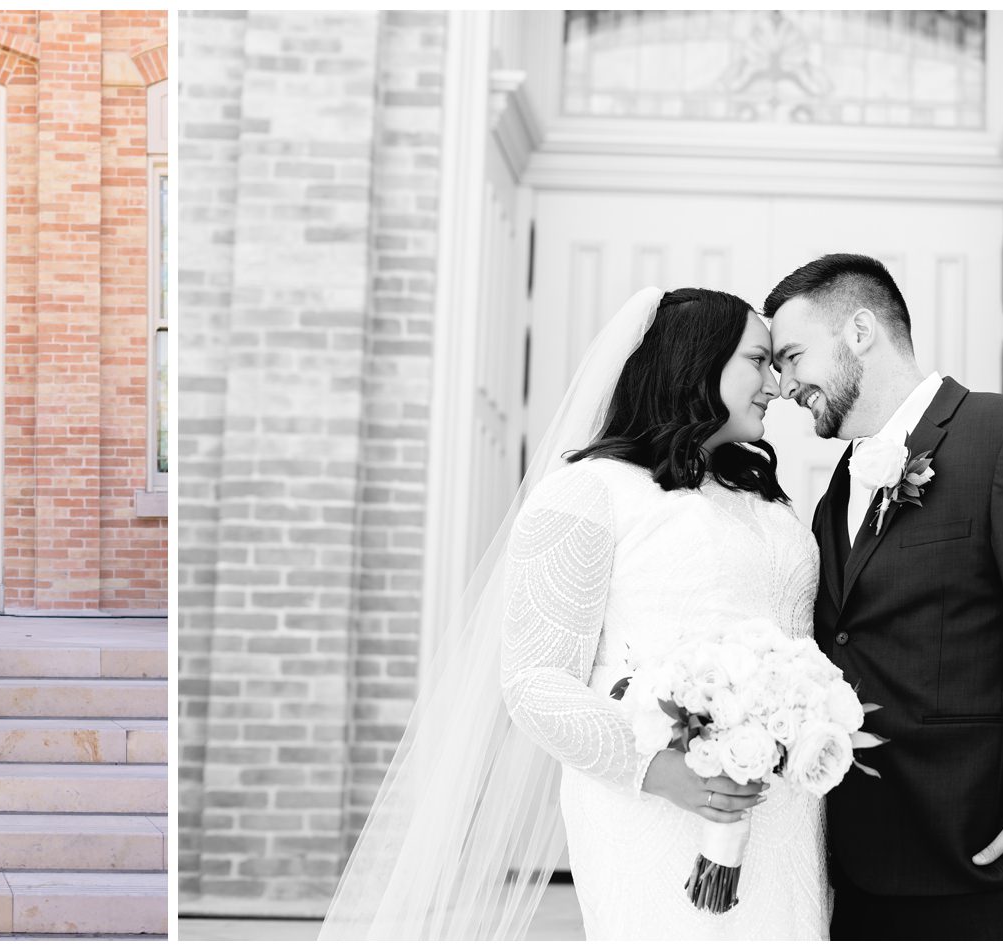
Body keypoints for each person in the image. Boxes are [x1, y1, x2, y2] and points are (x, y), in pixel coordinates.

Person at [320, 287, 825, 939]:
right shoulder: (589, 494)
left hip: (785, 808)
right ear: (697, 362)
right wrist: (663, 772)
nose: (777, 383)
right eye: (758, 360)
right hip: (658, 805)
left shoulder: (766, 500)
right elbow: (533, 680)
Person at [764, 253, 1003, 940]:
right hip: (861, 870)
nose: (783, 386)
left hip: (987, 865)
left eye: (793, 356)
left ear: (860, 330)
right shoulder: (838, 489)